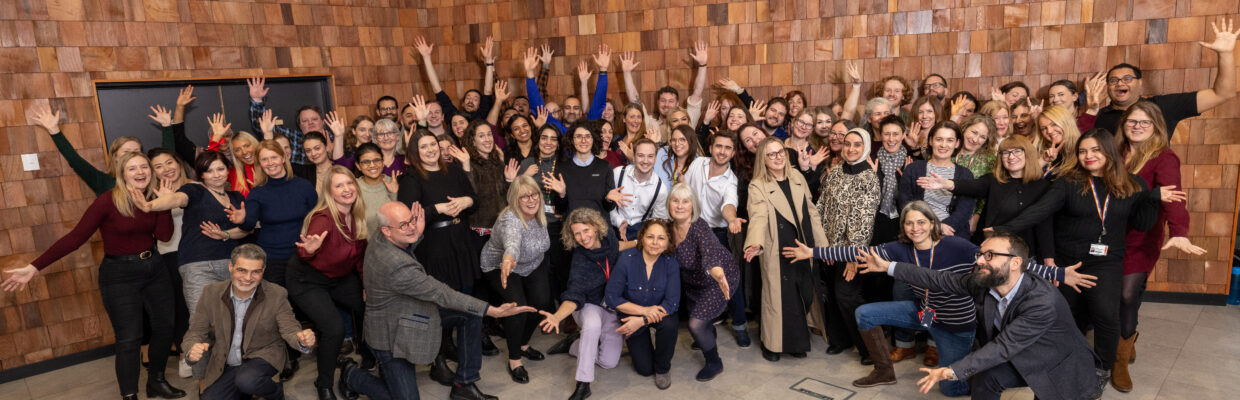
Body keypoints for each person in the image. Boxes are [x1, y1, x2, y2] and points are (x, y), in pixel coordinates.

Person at [992, 129, 1179, 389]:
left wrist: (1151, 199)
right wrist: (1003, 231)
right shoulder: (1069, 182)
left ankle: (1101, 370)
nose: (1088, 156)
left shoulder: (1133, 184)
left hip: (1106, 262)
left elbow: (1142, 223)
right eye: (1082, 151)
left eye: (1095, 150)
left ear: (1109, 151)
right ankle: (1067, 364)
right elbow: (1040, 211)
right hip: (1068, 261)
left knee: (1105, 315)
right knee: (1068, 315)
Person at [2, 152, 183, 400]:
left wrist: (163, 205)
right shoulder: (107, 202)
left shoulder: (156, 198)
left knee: (165, 327)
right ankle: (129, 395)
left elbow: (164, 236)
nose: (140, 172)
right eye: (132, 168)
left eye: (144, 167)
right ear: (122, 174)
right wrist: (34, 267)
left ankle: (157, 382)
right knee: (130, 337)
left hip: (155, 268)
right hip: (119, 276)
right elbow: (75, 238)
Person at [853, 233, 1107, 400]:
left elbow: (1003, 347)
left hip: (1058, 366)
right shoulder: (984, 281)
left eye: (990, 255)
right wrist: (888, 267)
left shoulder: (1043, 301)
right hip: (1018, 354)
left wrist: (952, 371)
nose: (980, 261)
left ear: (1016, 263)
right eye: (980, 255)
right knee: (986, 377)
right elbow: (938, 278)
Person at [339, 202, 535, 400]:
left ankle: (464, 384)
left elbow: (402, 245)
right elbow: (442, 294)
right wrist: (492, 310)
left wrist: (416, 234)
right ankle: (351, 375)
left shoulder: (382, 236)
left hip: (410, 309)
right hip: (390, 336)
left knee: (469, 315)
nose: (411, 227)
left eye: (412, 220)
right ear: (386, 231)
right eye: (404, 225)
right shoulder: (395, 265)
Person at [1112, 101, 1206, 391]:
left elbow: (1173, 197)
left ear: (1155, 127)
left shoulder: (1165, 157)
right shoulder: (1114, 153)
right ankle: (1126, 338)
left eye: (1144, 122)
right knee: (1114, 294)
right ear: (1123, 124)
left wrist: (1179, 231)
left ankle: (1120, 357)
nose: (1137, 126)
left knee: (1128, 294)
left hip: (1142, 238)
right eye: (1132, 121)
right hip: (1110, 234)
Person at [181, 244, 315, 400]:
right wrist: (192, 349)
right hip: (228, 363)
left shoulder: (277, 293)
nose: (247, 278)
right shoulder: (211, 292)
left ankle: (276, 393)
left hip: (264, 356)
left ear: (263, 271)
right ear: (231, 267)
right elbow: (196, 331)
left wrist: (302, 340)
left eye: (255, 272)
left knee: (247, 380)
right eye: (242, 270)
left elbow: (290, 329)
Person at [286, 166, 370, 400]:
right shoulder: (323, 218)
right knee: (334, 329)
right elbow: (306, 251)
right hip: (307, 279)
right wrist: (309, 250)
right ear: (329, 192)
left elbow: (361, 259)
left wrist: (365, 287)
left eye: (349, 183)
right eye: (339, 185)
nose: (346, 189)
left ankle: (368, 357)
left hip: (339, 277)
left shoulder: (356, 216)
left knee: (371, 306)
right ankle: (323, 384)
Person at [743, 137, 830, 361]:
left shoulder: (798, 177)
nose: (778, 157)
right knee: (778, 297)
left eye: (780, 151)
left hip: (803, 245)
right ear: (763, 158)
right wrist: (755, 242)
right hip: (777, 246)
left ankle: (797, 341)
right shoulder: (758, 185)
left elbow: (812, 213)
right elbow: (758, 216)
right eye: (771, 154)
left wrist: (823, 248)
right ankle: (771, 345)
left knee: (801, 292)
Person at [917, 136, 1055, 262]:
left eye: (1017, 151)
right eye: (1005, 153)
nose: (1011, 157)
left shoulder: (1042, 186)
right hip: (990, 252)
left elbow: (1045, 226)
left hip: (1024, 256)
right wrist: (947, 183)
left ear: (1028, 154)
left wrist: (1049, 260)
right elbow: (971, 186)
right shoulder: (993, 180)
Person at [537, 208, 626, 400]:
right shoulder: (580, 260)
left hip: (610, 306)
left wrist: (640, 243)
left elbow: (617, 247)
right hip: (587, 305)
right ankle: (583, 384)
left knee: (608, 362)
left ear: (595, 227)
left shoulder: (609, 236)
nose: (583, 237)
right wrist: (558, 316)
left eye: (586, 230)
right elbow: (573, 295)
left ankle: (573, 344)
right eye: (577, 233)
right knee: (592, 326)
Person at [1094, 20, 1237, 137]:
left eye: (1127, 78)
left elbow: (1222, 94)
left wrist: (1225, 54)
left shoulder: (1163, 106)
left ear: (1140, 83)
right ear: (1107, 87)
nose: (1120, 83)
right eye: (1113, 81)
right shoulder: (1096, 117)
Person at [814, 127, 881, 363]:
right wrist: (822, 245)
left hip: (851, 250)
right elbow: (821, 208)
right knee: (832, 294)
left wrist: (854, 256)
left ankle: (869, 349)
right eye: (848, 144)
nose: (851, 149)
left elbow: (863, 221)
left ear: (866, 148)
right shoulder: (835, 172)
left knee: (847, 296)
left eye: (857, 145)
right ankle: (840, 340)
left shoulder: (869, 178)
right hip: (830, 249)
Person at [479, 177, 553, 383]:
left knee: (541, 303)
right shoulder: (509, 220)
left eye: (534, 194)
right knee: (517, 308)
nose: (531, 200)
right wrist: (508, 258)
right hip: (500, 266)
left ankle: (522, 343)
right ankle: (515, 359)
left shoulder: (539, 213)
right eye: (524, 197)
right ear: (514, 200)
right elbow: (512, 243)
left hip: (532, 263)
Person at [683, 131, 752, 346]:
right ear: (711, 148)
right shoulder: (697, 165)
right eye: (719, 146)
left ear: (732, 153)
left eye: (727, 148)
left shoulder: (730, 181)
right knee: (699, 281)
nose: (722, 151)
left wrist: (732, 219)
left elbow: (728, 205)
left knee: (729, 281)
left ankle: (739, 325)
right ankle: (703, 328)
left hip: (717, 234)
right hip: (692, 230)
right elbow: (684, 189)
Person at [666, 184, 738, 381]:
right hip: (693, 281)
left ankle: (714, 362)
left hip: (718, 278)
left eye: (685, 201)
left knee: (696, 324)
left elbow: (710, 253)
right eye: (675, 200)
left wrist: (717, 273)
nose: (680, 206)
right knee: (701, 319)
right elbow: (649, 241)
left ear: (693, 206)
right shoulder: (667, 227)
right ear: (669, 204)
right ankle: (708, 336)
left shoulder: (699, 227)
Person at [226, 141, 318, 288]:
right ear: (259, 164)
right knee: (277, 305)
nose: (270, 163)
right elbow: (248, 224)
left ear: (283, 158)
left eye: (274, 157)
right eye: (264, 159)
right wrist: (242, 219)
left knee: (303, 306)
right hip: (272, 260)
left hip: (303, 256)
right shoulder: (257, 193)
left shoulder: (303, 186)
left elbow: (317, 218)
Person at [606, 220, 682, 390]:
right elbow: (612, 297)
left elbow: (672, 303)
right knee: (645, 369)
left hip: (657, 315)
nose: (655, 242)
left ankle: (663, 368)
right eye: (650, 237)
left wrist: (642, 320)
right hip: (631, 313)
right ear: (642, 238)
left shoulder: (671, 264)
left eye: (661, 238)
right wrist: (644, 312)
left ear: (668, 242)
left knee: (670, 323)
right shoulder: (627, 259)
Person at [30, 103, 140, 196]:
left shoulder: (148, 178)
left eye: (137, 151)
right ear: (115, 157)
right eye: (127, 151)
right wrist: (54, 130)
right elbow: (75, 160)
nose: (133, 155)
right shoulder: (103, 181)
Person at [898, 121, 975, 237]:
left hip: (952, 233)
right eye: (939, 139)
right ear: (930, 141)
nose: (943, 145)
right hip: (918, 232)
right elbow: (905, 204)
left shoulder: (965, 174)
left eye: (950, 140)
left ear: (957, 143)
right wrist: (933, 226)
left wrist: (943, 228)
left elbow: (965, 210)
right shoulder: (913, 169)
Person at [247, 76, 325, 165]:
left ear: (323, 121)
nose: (310, 123)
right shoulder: (292, 138)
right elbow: (262, 125)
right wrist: (257, 101)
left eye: (314, 119)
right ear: (299, 125)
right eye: (305, 121)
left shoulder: (334, 138)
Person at [611, 138, 669, 240]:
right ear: (634, 156)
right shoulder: (617, 173)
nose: (645, 161)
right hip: (613, 227)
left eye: (650, 156)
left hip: (641, 233)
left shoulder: (661, 189)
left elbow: (657, 222)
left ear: (655, 158)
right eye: (640, 155)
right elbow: (606, 206)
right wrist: (619, 221)